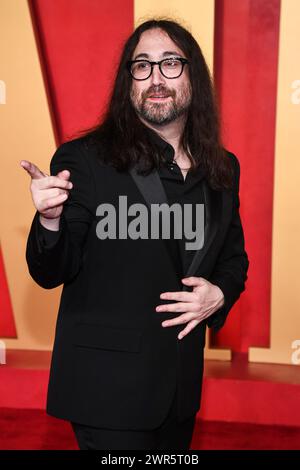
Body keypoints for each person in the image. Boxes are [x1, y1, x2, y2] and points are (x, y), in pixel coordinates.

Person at [21, 19, 249, 450]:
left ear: (194, 77)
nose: (156, 78)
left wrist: (218, 294)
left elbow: (234, 260)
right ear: (128, 83)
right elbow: (53, 271)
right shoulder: (85, 159)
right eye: (141, 66)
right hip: (107, 391)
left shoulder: (223, 167)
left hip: (181, 391)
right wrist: (49, 220)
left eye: (170, 64)